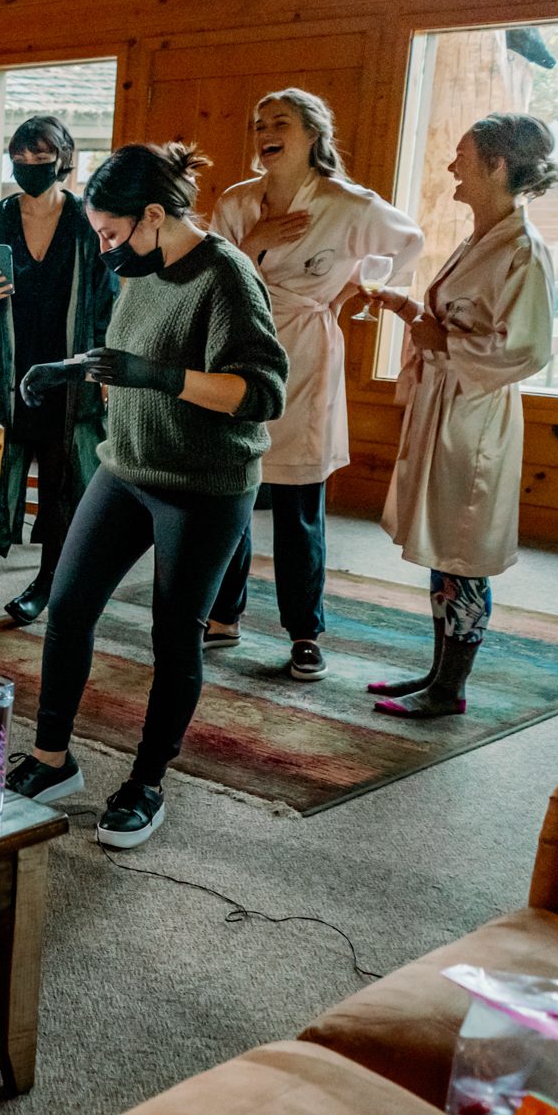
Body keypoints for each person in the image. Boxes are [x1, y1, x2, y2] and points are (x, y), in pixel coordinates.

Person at [4, 143, 289, 849]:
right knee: (68, 608)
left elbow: (262, 394)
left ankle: (147, 783)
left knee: (173, 636)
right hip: (127, 466)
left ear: (155, 215)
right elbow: (125, 360)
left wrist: (156, 375)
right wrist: (67, 369)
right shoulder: (143, 267)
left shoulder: (225, 276)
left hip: (201, 484)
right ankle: (52, 758)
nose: (104, 249)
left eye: (110, 233)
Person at [203, 90, 424, 680]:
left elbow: (407, 242)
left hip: (306, 348)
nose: (266, 133)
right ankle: (224, 614)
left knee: (300, 498)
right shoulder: (237, 201)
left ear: (312, 134)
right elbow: (209, 272)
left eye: (280, 123)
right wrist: (258, 238)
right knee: (233, 488)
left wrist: (361, 289)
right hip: (239, 343)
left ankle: (305, 631)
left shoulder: (348, 203)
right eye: (259, 124)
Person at [361, 113, 557, 718]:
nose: (452, 167)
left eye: (462, 156)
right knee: (446, 547)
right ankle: (435, 671)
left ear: (497, 166)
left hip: (474, 419)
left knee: (464, 552)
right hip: (446, 405)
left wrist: (443, 344)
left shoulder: (523, 252)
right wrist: (403, 307)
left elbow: (526, 349)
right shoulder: (481, 238)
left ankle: (450, 690)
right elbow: (449, 321)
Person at [0, 114, 117, 626]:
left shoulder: (88, 226)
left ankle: (48, 583)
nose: (29, 170)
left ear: (63, 163)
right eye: (19, 162)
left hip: (68, 377)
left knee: (67, 481)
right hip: (4, 374)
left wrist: (101, 365)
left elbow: (109, 302)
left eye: (40, 162)